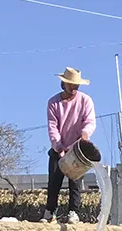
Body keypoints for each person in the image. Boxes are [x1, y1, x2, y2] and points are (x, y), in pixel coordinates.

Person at [46, 67, 97, 223]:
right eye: (71, 85)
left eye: (76, 85)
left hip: (78, 149)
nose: (74, 88)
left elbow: (89, 121)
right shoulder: (53, 103)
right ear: (64, 84)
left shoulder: (85, 100)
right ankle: (50, 212)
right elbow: (53, 126)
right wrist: (58, 146)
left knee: (75, 181)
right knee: (54, 181)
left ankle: (73, 212)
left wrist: (85, 134)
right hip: (59, 147)